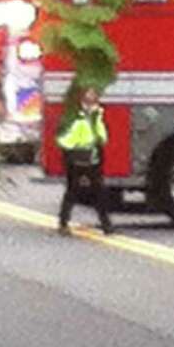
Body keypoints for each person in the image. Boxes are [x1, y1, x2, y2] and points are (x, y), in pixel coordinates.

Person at [57, 85, 113, 235]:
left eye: (94, 94)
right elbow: (65, 136)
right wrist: (69, 150)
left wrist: (100, 142)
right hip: (75, 157)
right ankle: (63, 222)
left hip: (92, 157)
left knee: (98, 192)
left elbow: (101, 135)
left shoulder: (97, 114)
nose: (91, 97)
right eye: (88, 94)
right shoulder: (75, 115)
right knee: (72, 191)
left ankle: (106, 224)